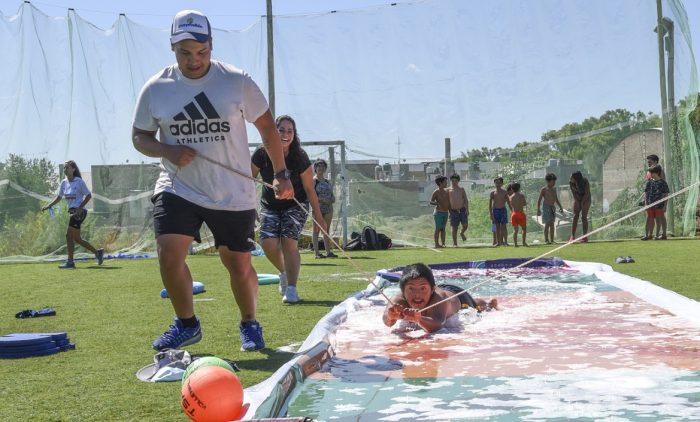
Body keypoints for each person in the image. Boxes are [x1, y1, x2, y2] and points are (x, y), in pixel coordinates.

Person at [131, 10, 293, 352]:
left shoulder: (236, 81)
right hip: (178, 186)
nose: (194, 61)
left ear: (211, 45)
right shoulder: (156, 88)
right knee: (169, 254)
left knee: (238, 264)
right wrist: (166, 150)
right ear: (173, 47)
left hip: (231, 193)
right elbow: (139, 137)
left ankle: (249, 322)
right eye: (185, 53)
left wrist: (279, 173)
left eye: (201, 52)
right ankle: (186, 324)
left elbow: (266, 126)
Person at [251, 115, 327, 304]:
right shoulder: (261, 154)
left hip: (296, 204)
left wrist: (318, 216)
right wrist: (249, 206)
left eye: (290, 131)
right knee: (267, 243)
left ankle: (291, 289)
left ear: (294, 134)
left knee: (288, 242)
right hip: (269, 206)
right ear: (273, 131)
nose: (285, 134)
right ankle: (284, 272)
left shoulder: (299, 156)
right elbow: (249, 180)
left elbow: (310, 188)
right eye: (281, 130)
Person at [382, 263, 498, 333]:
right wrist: (391, 317)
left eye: (422, 289)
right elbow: (386, 320)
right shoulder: (398, 300)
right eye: (411, 289)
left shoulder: (439, 298)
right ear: (403, 290)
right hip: (442, 291)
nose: (417, 294)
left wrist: (419, 319)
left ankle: (489, 305)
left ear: (432, 289)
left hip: (458, 297)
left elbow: (438, 324)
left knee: (477, 308)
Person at [41, 160, 104, 269]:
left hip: (79, 212)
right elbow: (59, 197)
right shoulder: (64, 182)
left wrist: (80, 208)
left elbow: (88, 195)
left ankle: (70, 262)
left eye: (67, 167)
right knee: (77, 239)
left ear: (73, 169)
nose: (65, 169)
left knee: (68, 235)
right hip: (72, 212)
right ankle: (98, 253)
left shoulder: (79, 181)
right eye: (64, 168)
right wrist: (49, 205)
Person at [311, 159, 337, 258]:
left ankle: (328, 252)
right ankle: (317, 253)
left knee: (326, 230)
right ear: (315, 168)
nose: (321, 168)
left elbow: (331, 194)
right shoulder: (314, 180)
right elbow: (311, 194)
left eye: (323, 166)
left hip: (328, 208)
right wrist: (321, 199)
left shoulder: (327, 181)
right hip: (317, 208)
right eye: (319, 166)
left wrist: (332, 199)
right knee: (316, 230)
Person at [641, 154, 666, 240]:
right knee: (649, 217)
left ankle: (663, 234)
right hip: (650, 200)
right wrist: (645, 199)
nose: (648, 163)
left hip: (659, 201)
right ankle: (649, 234)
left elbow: (663, 185)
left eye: (650, 161)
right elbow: (647, 188)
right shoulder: (649, 171)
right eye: (647, 162)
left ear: (655, 161)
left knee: (660, 217)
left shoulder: (660, 171)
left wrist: (663, 202)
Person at [537, 173, 564, 244]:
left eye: (555, 181)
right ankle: (546, 240)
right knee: (547, 224)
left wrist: (560, 207)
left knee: (552, 224)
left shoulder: (554, 189)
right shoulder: (544, 189)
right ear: (548, 181)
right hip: (546, 207)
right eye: (553, 181)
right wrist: (538, 209)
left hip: (552, 207)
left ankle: (552, 240)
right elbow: (539, 200)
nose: (554, 183)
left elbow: (556, 199)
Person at [447, 173, 469, 247]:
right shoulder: (448, 190)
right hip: (453, 211)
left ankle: (462, 233)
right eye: (452, 180)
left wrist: (467, 209)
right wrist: (449, 211)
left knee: (465, 225)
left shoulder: (461, 189)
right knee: (454, 227)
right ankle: (455, 243)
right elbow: (447, 202)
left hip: (462, 210)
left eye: (455, 180)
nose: (454, 182)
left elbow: (466, 200)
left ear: (458, 181)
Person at [569, 171, 591, 242]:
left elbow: (587, 193)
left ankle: (585, 237)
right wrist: (578, 202)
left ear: (576, 178)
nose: (570, 178)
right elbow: (574, 194)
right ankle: (572, 236)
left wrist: (582, 202)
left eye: (572, 177)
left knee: (584, 217)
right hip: (577, 198)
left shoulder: (585, 181)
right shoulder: (571, 183)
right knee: (575, 216)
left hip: (586, 199)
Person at [429, 175, 450, 248]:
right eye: (445, 182)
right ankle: (436, 244)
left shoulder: (447, 191)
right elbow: (431, 202)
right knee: (438, 228)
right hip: (438, 213)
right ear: (440, 183)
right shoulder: (436, 192)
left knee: (443, 229)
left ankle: (443, 244)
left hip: (445, 212)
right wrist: (437, 203)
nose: (446, 183)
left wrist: (450, 212)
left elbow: (449, 203)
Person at [489, 177, 510, 246]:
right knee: (497, 227)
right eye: (496, 183)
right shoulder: (493, 193)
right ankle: (498, 242)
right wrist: (491, 214)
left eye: (499, 183)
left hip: (503, 210)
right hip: (495, 210)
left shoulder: (505, 192)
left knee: (503, 226)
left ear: (502, 183)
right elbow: (490, 204)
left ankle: (506, 241)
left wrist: (512, 210)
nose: (498, 184)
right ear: (494, 183)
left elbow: (509, 202)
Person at [509, 182, 527, 247]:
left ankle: (515, 244)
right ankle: (524, 243)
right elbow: (524, 204)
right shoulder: (522, 196)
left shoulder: (511, 197)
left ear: (512, 189)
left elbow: (512, 205)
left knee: (515, 230)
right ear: (519, 188)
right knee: (524, 229)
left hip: (514, 214)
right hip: (521, 213)